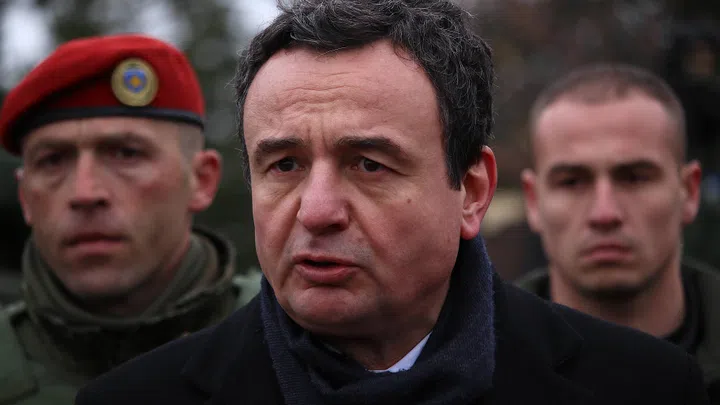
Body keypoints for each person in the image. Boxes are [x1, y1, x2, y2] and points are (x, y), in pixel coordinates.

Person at [75, 2, 709, 404]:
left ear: (473, 192)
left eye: (369, 164)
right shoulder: (135, 398)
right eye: (285, 165)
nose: (316, 210)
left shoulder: (645, 386)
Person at [0, 33, 261, 404]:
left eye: (126, 154)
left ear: (201, 181)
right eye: (52, 160)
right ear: (26, 197)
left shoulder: (305, 341)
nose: (85, 193)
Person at [515, 63, 720, 402]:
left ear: (689, 191)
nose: (605, 214)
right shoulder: (464, 372)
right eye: (572, 182)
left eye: (635, 178)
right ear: (533, 201)